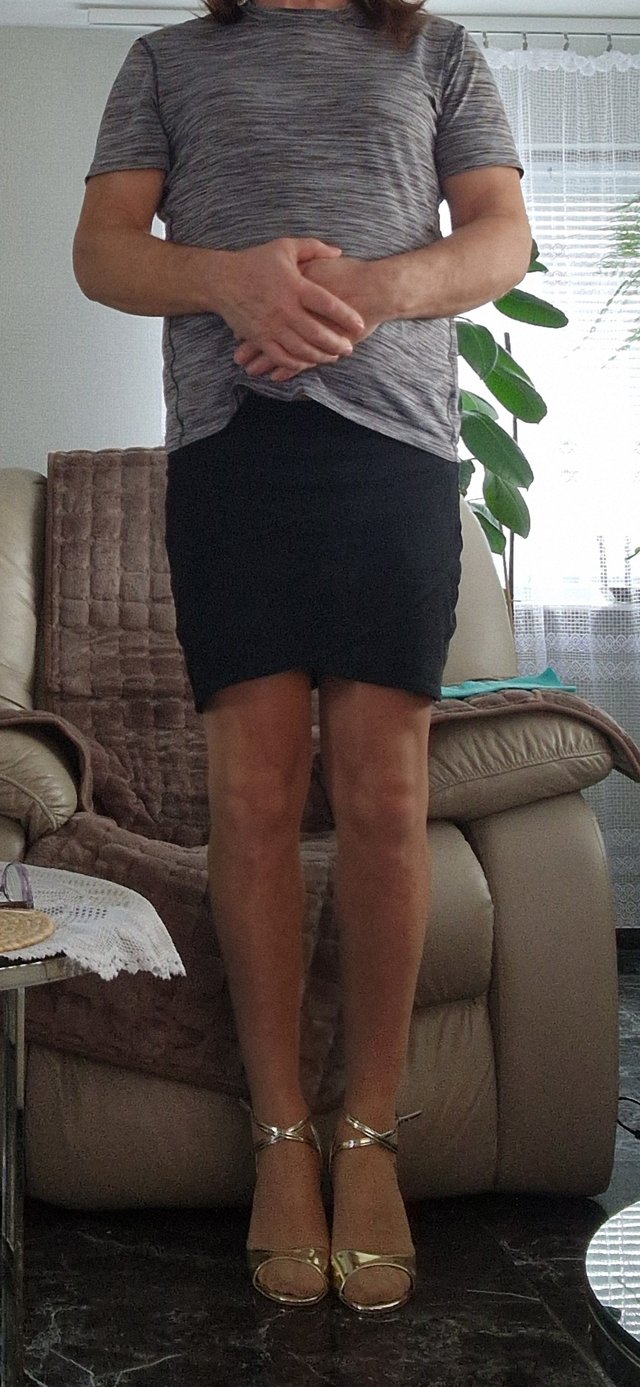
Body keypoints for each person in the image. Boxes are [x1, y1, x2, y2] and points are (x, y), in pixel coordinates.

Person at [73, 0, 531, 1314]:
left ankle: (369, 1132)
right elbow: (105, 250)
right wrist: (232, 279)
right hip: (232, 456)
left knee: (385, 799)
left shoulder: (438, 52)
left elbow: (501, 234)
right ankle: (282, 1135)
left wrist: (364, 292)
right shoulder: (164, 60)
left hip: (397, 456)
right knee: (255, 801)